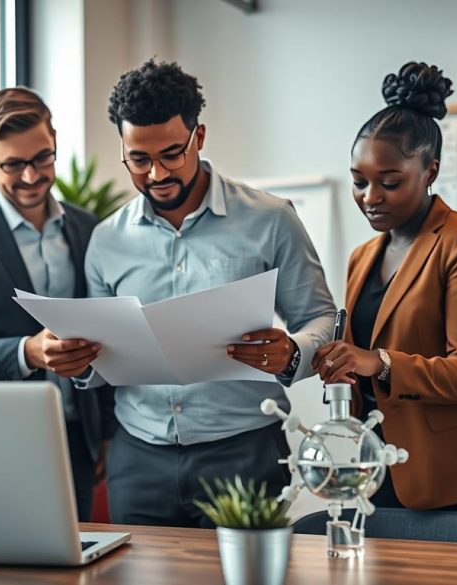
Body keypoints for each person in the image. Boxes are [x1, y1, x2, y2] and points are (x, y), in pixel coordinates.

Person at [71, 59, 337, 527]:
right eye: (139, 159)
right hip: (138, 457)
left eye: (172, 154)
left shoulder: (271, 219)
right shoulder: (106, 240)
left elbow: (321, 315)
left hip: (244, 452)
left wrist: (293, 351)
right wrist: (79, 358)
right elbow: (100, 356)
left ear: (200, 136)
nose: (156, 174)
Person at [312, 62, 457, 541]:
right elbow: (367, 365)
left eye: (390, 181)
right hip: (384, 473)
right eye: (359, 180)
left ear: (430, 170)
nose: (370, 197)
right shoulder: (362, 257)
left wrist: (378, 362)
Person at [0, 87, 117, 521]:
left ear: (55, 141)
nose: (30, 177)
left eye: (42, 158)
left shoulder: (87, 228)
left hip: (79, 437)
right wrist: (26, 352)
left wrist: (104, 431)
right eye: (12, 164)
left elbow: (109, 331)